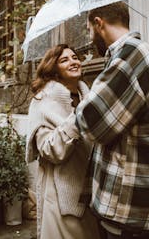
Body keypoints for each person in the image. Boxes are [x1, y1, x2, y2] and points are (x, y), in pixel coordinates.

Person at [75, 2, 149, 239]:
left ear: (98, 23)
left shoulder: (130, 56)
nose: (91, 38)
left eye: (89, 30)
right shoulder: (136, 53)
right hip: (137, 203)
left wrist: (84, 95)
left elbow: (91, 123)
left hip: (131, 209)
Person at [26, 44, 101, 239]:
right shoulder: (42, 101)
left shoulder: (90, 96)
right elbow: (49, 150)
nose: (73, 62)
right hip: (59, 193)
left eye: (75, 57)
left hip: (92, 191)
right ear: (54, 68)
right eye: (64, 60)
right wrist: (76, 118)